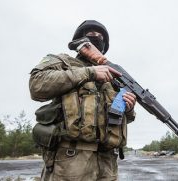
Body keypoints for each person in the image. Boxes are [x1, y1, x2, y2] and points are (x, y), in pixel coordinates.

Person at [29, 20, 137, 181]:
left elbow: (120, 119)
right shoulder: (63, 62)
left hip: (108, 164)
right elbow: (37, 85)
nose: (97, 38)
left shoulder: (114, 78)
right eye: (92, 34)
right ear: (80, 39)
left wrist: (128, 109)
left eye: (101, 36)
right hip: (71, 160)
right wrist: (89, 73)